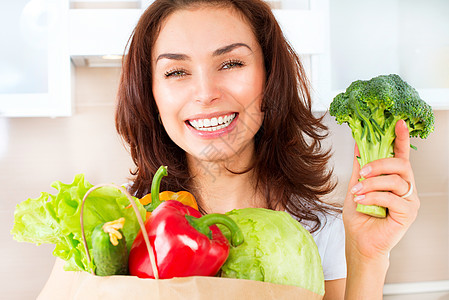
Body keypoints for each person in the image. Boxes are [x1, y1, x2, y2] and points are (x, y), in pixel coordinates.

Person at [115, 0, 419, 298]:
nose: (206, 93)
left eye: (231, 63)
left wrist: (368, 257)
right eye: (176, 72)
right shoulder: (120, 225)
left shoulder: (324, 233)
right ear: (149, 91)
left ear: (270, 76)